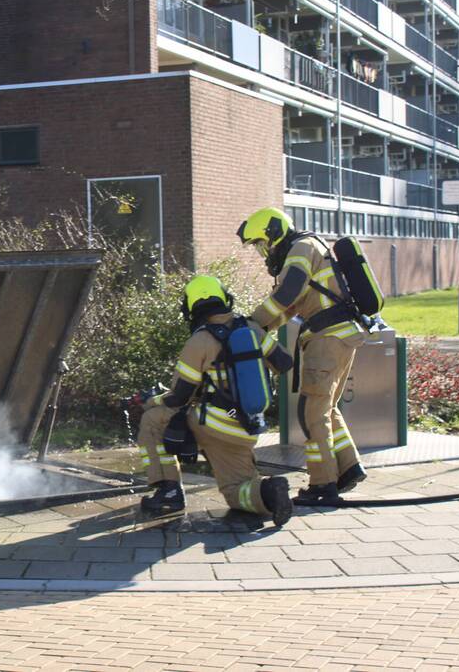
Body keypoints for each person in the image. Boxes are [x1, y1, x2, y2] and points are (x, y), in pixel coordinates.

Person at [129, 275, 295, 527]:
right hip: (247, 427)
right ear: (225, 299)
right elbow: (284, 363)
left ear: (191, 308)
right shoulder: (252, 329)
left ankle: (169, 492)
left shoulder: (200, 341)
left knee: (153, 420)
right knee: (236, 490)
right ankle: (269, 492)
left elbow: (179, 397)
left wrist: (152, 400)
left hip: (216, 424)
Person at [237, 207, 368, 503]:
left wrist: (252, 324)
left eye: (261, 244)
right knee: (326, 408)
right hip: (339, 335)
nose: (262, 252)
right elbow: (292, 307)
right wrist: (260, 328)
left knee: (311, 412)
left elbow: (287, 295)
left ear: (274, 233)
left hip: (327, 337)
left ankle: (322, 485)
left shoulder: (300, 248)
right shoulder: (310, 247)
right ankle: (348, 467)